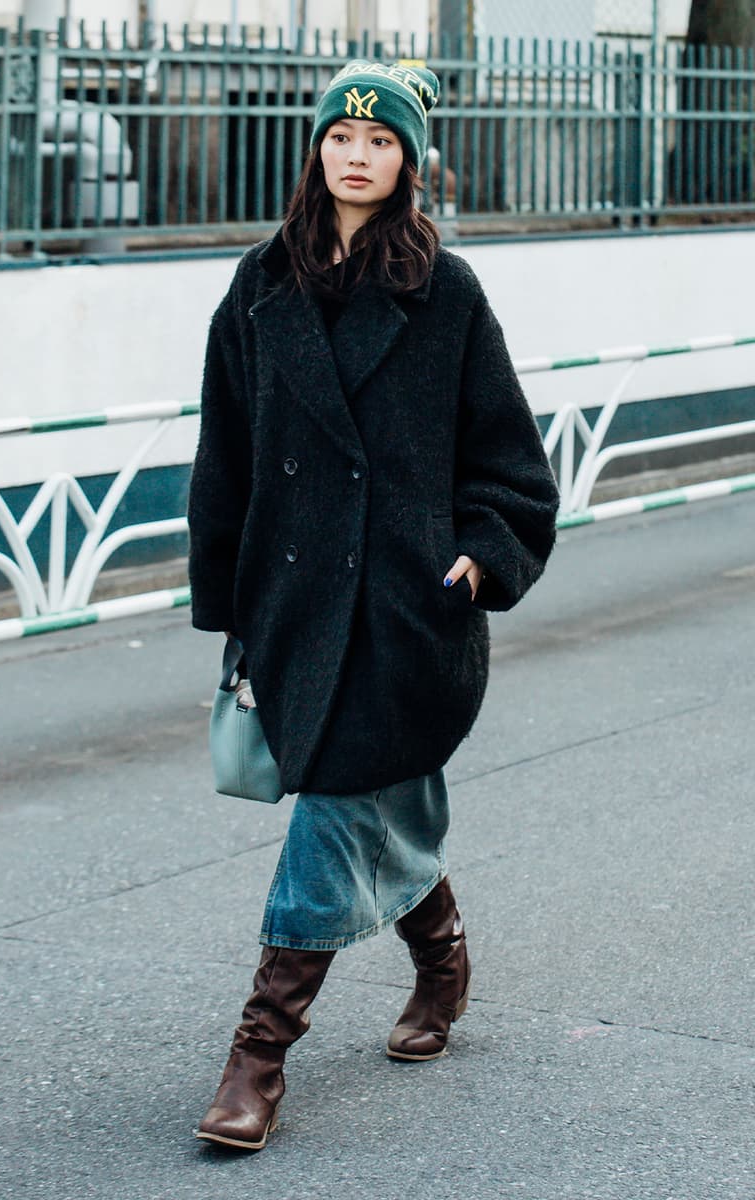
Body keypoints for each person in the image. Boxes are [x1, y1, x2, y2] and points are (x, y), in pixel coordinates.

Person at [187, 59, 559, 1152]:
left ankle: (257, 1056)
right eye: (341, 139)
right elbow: (227, 457)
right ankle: (439, 960)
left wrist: (481, 557)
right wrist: (230, 605)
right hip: (298, 607)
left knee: (337, 808)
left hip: (407, 611)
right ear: (317, 149)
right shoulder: (258, 286)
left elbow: (509, 460)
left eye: (381, 141)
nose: (357, 155)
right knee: (378, 802)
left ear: (406, 161)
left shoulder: (444, 291)